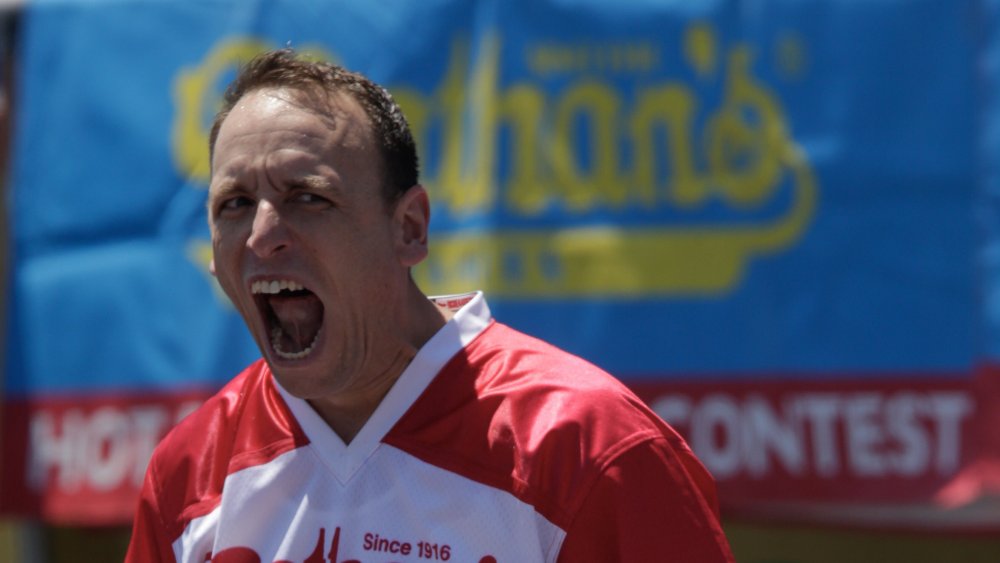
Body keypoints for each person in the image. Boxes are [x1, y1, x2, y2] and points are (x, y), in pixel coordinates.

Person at [126, 48, 735, 563]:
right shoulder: (189, 474)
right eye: (233, 205)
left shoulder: (591, 449)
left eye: (307, 197)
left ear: (410, 228)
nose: (262, 235)